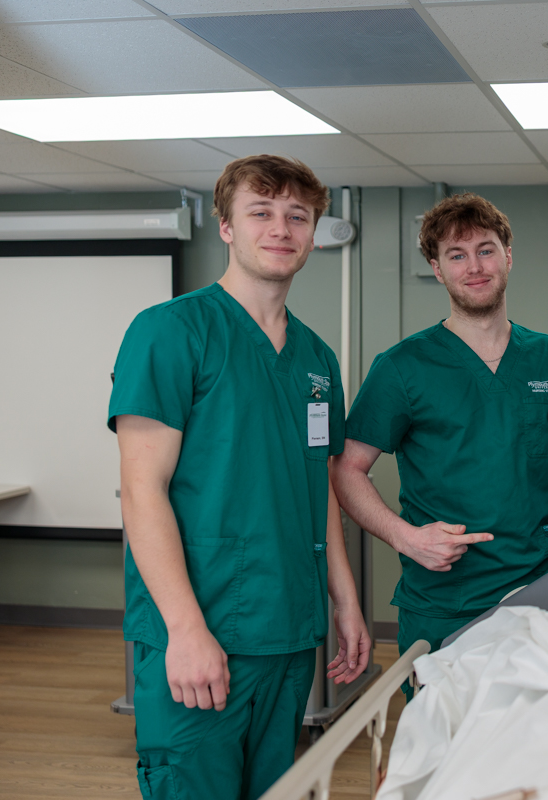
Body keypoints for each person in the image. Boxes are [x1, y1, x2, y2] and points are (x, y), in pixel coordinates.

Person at [109, 155, 370, 800]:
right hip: (203, 628)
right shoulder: (170, 332)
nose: (281, 228)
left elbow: (316, 488)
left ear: (313, 234)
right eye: (261, 212)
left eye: (297, 216)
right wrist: (185, 630)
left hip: (287, 632)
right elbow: (142, 491)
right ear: (225, 226)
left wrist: (345, 600)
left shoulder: (316, 359)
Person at [334, 192, 548, 662]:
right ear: (437, 268)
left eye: (485, 250)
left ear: (507, 256)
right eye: (457, 255)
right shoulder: (402, 367)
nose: (474, 266)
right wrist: (406, 538)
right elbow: (347, 468)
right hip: (444, 601)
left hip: (541, 593)